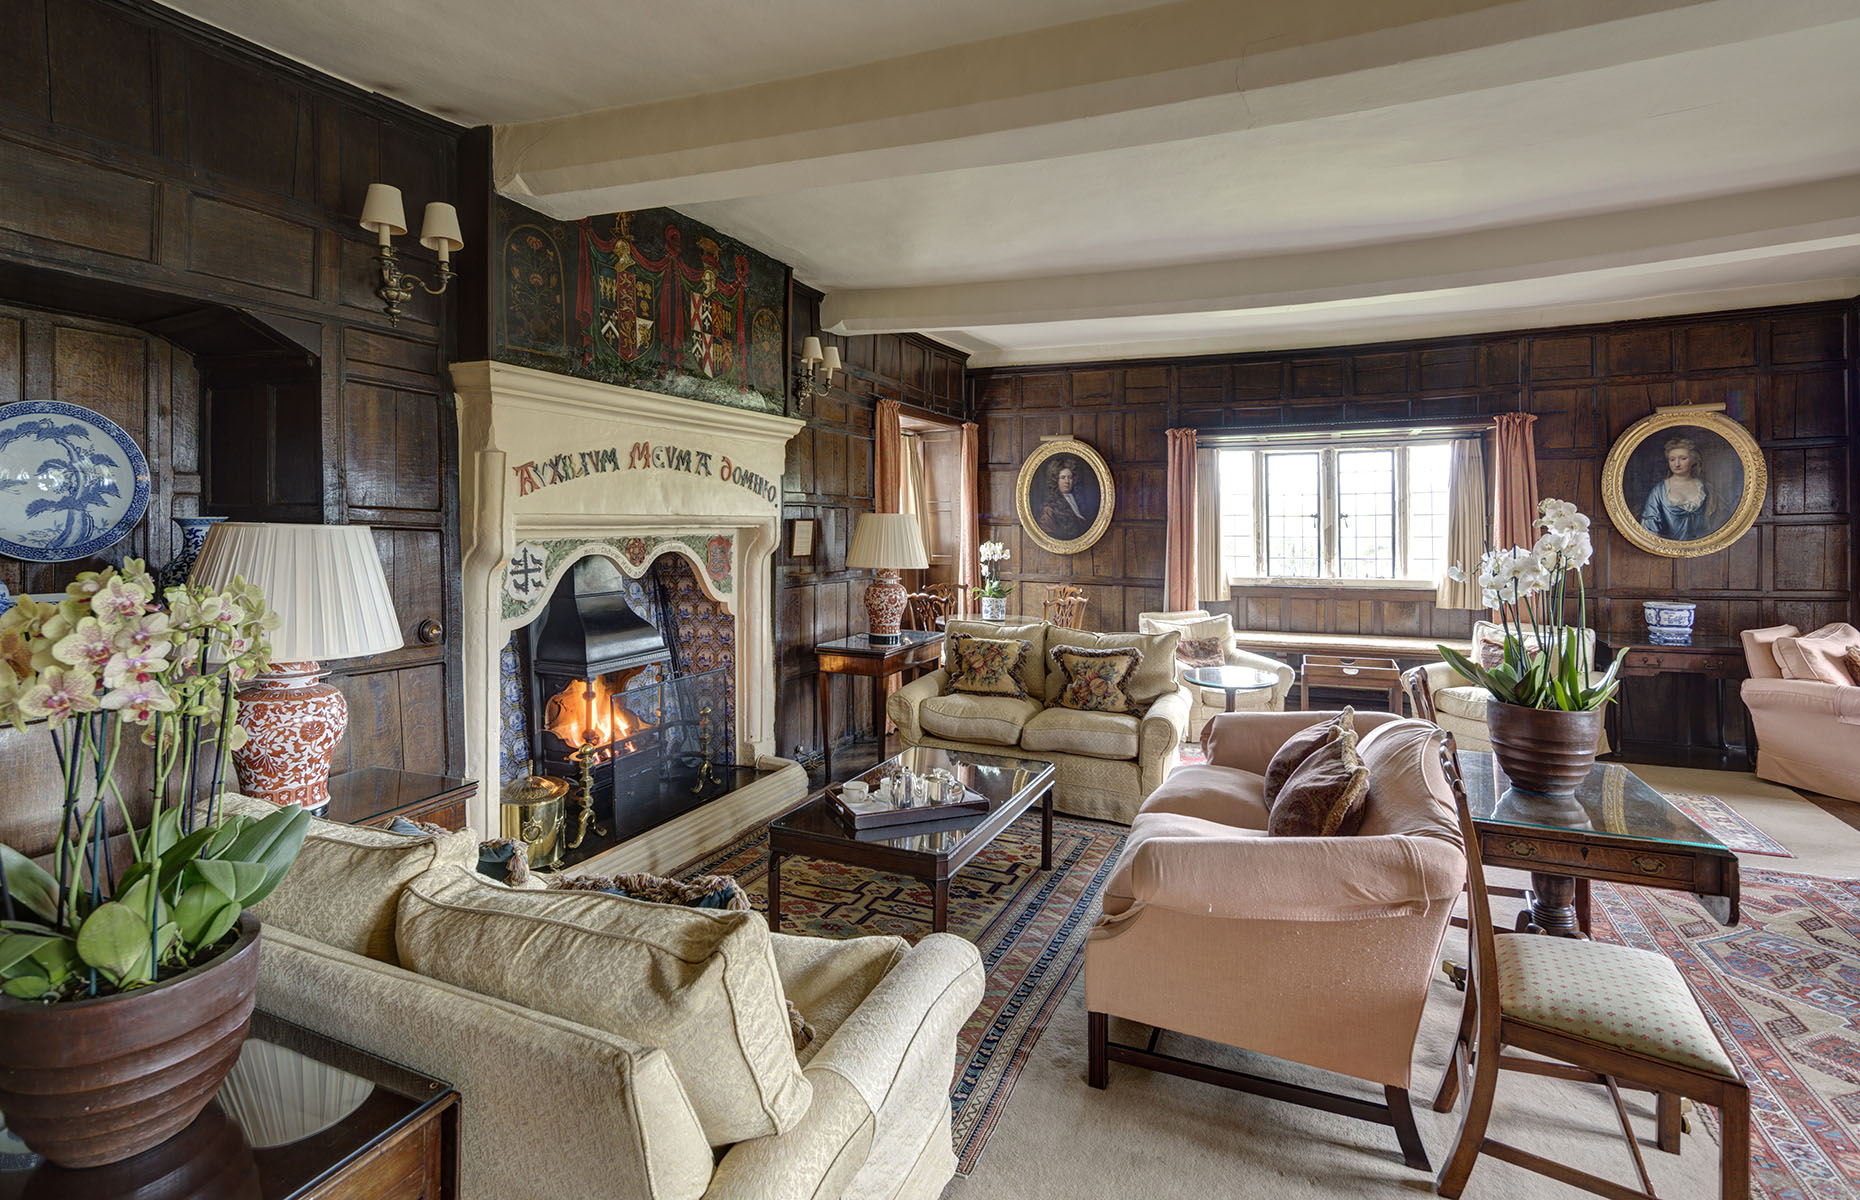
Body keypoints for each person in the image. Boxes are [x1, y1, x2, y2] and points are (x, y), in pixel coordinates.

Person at [1639, 435, 1719, 541]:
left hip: (1701, 547)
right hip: (1667, 549)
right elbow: (1650, 524)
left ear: (1693, 460)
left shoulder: (1704, 489)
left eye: (1683, 458)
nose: (1677, 464)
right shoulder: (1659, 491)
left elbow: (1714, 522)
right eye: (1672, 459)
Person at [1035, 456, 1094, 541]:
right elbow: (1048, 531)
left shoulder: (1078, 501)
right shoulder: (1049, 509)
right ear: (1055, 480)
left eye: (1070, 477)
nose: (1067, 481)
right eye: (1063, 478)